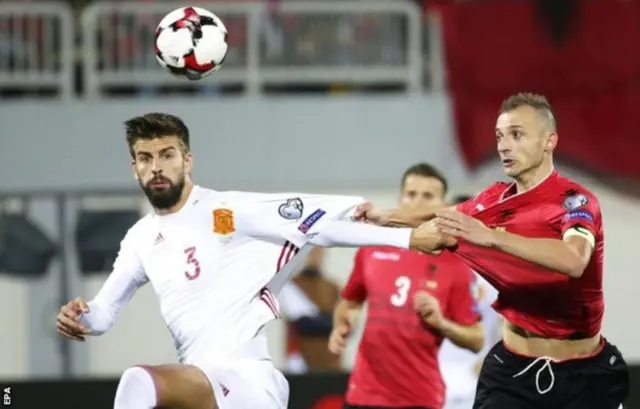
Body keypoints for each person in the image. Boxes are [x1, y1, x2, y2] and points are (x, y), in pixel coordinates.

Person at [54, 113, 452, 409]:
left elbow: (319, 225)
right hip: (200, 382)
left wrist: (408, 237)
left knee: (139, 383)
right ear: (134, 168)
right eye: (145, 157)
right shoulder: (140, 238)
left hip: (246, 381)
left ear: (187, 160)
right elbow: (103, 314)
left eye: (167, 155)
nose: (156, 167)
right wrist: (81, 317)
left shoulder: (227, 211)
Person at [357, 93, 629, 409]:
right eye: (500, 136)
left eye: (516, 134)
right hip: (513, 371)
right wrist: (384, 216)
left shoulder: (575, 200)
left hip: (582, 376)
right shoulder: (494, 199)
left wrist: (493, 237)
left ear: (549, 141)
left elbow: (574, 259)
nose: (503, 146)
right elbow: (443, 214)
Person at [329, 163, 485, 409]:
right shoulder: (373, 245)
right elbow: (350, 301)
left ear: (443, 205)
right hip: (363, 394)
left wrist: (441, 323)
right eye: (411, 194)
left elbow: (476, 340)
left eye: (428, 197)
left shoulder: (456, 264)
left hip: (418, 398)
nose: (417, 203)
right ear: (400, 198)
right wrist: (342, 324)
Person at [439, 195, 501, 409]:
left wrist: (493, 362)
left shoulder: (497, 275)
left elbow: (514, 324)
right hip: (433, 375)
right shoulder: (429, 267)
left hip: (479, 377)